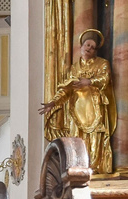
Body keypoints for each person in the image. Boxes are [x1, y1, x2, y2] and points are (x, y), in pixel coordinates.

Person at [40, 29, 116, 175]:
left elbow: (105, 79)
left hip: (94, 109)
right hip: (77, 110)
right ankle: (79, 169)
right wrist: (53, 102)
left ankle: (94, 168)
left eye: (93, 47)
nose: (89, 49)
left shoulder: (102, 64)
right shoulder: (74, 68)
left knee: (95, 139)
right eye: (87, 45)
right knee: (77, 141)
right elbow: (66, 90)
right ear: (81, 46)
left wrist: (90, 81)